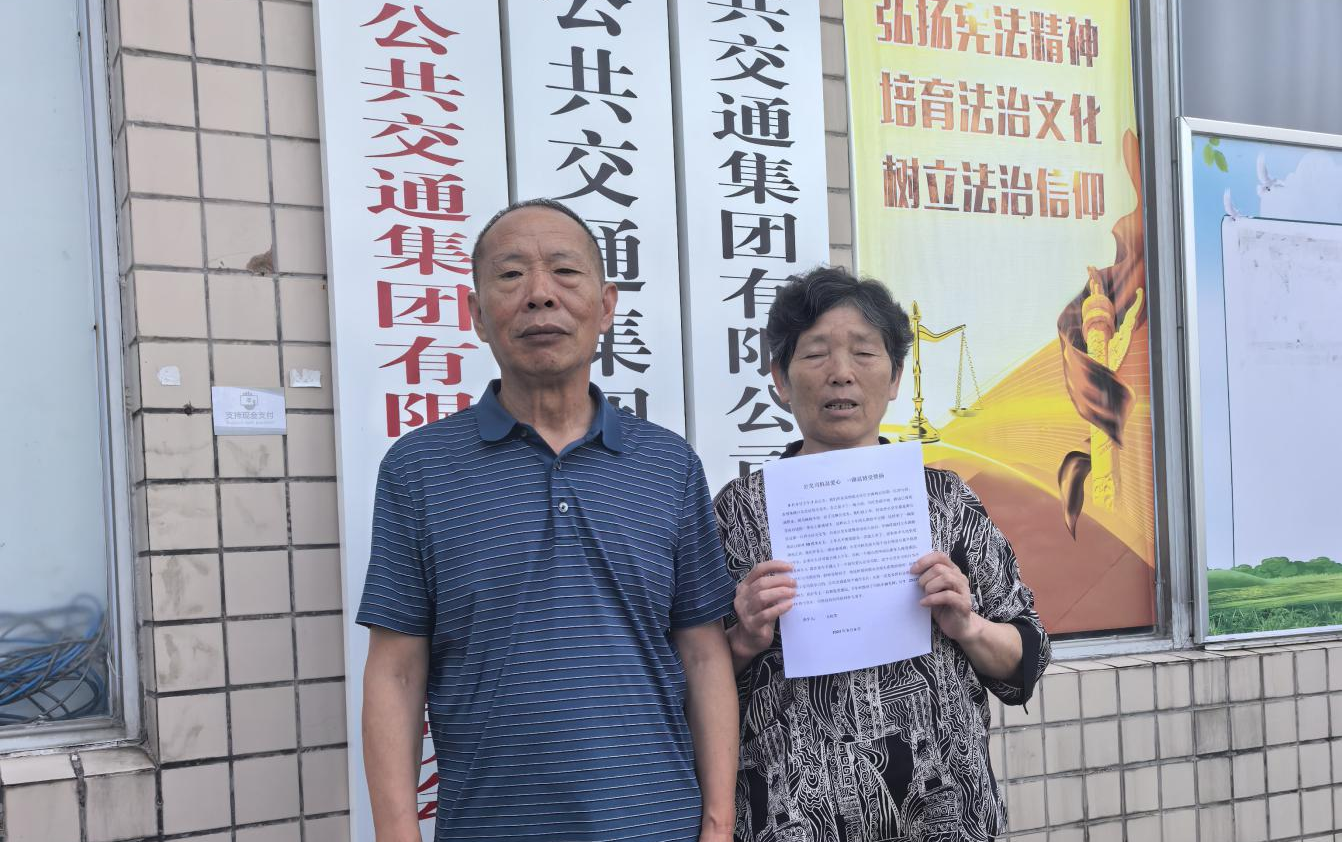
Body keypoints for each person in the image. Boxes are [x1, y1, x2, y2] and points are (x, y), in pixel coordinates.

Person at [357, 198, 739, 842]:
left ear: (606, 305)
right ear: (477, 315)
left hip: (657, 824)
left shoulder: (669, 465)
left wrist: (718, 825)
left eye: (565, 271)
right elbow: (395, 671)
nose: (539, 294)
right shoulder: (418, 469)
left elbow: (703, 655)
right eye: (510, 275)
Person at [714, 266, 1051, 841]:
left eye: (864, 353)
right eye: (815, 354)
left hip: (945, 816)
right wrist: (743, 640)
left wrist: (969, 626)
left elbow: (1026, 658)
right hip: (794, 821)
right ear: (781, 380)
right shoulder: (737, 512)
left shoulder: (945, 501)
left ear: (895, 377)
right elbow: (690, 677)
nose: (841, 373)